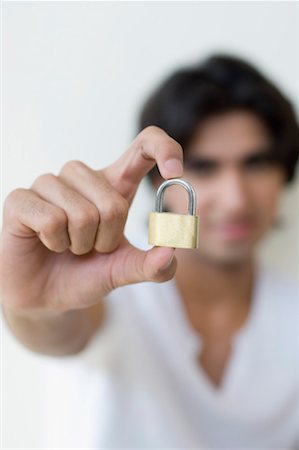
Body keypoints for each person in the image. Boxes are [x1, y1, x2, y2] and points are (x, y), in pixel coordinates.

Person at [1, 54, 299, 448]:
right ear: (159, 176)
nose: (236, 199)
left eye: (256, 163)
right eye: (205, 167)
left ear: (285, 170)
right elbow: (57, 330)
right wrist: (36, 305)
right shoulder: (105, 280)